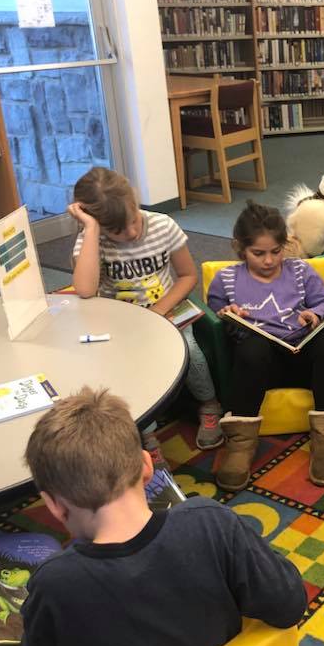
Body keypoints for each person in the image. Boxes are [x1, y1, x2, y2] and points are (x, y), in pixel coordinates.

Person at [20, 387, 306, 646]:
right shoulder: (210, 522)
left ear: (53, 504)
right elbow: (289, 603)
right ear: (147, 466)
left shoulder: (53, 584)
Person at [69, 167, 223, 453]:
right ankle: (146, 433)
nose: (130, 233)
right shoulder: (92, 240)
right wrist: (90, 230)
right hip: (121, 325)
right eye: (116, 230)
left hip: (166, 312)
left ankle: (209, 402)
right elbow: (86, 290)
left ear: (135, 199)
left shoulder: (163, 225)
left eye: (133, 219)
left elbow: (188, 276)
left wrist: (158, 311)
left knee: (189, 348)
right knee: (120, 368)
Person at [207, 201, 324, 491]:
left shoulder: (300, 270)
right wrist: (229, 314)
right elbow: (215, 315)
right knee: (252, 349)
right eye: (258, 254)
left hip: (303, 360)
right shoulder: (227, 280)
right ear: (240, 248)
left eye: (276, 251)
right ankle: (240, 445)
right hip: (259, 368)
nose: (269, 261)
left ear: (286, 245)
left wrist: (315, 314)